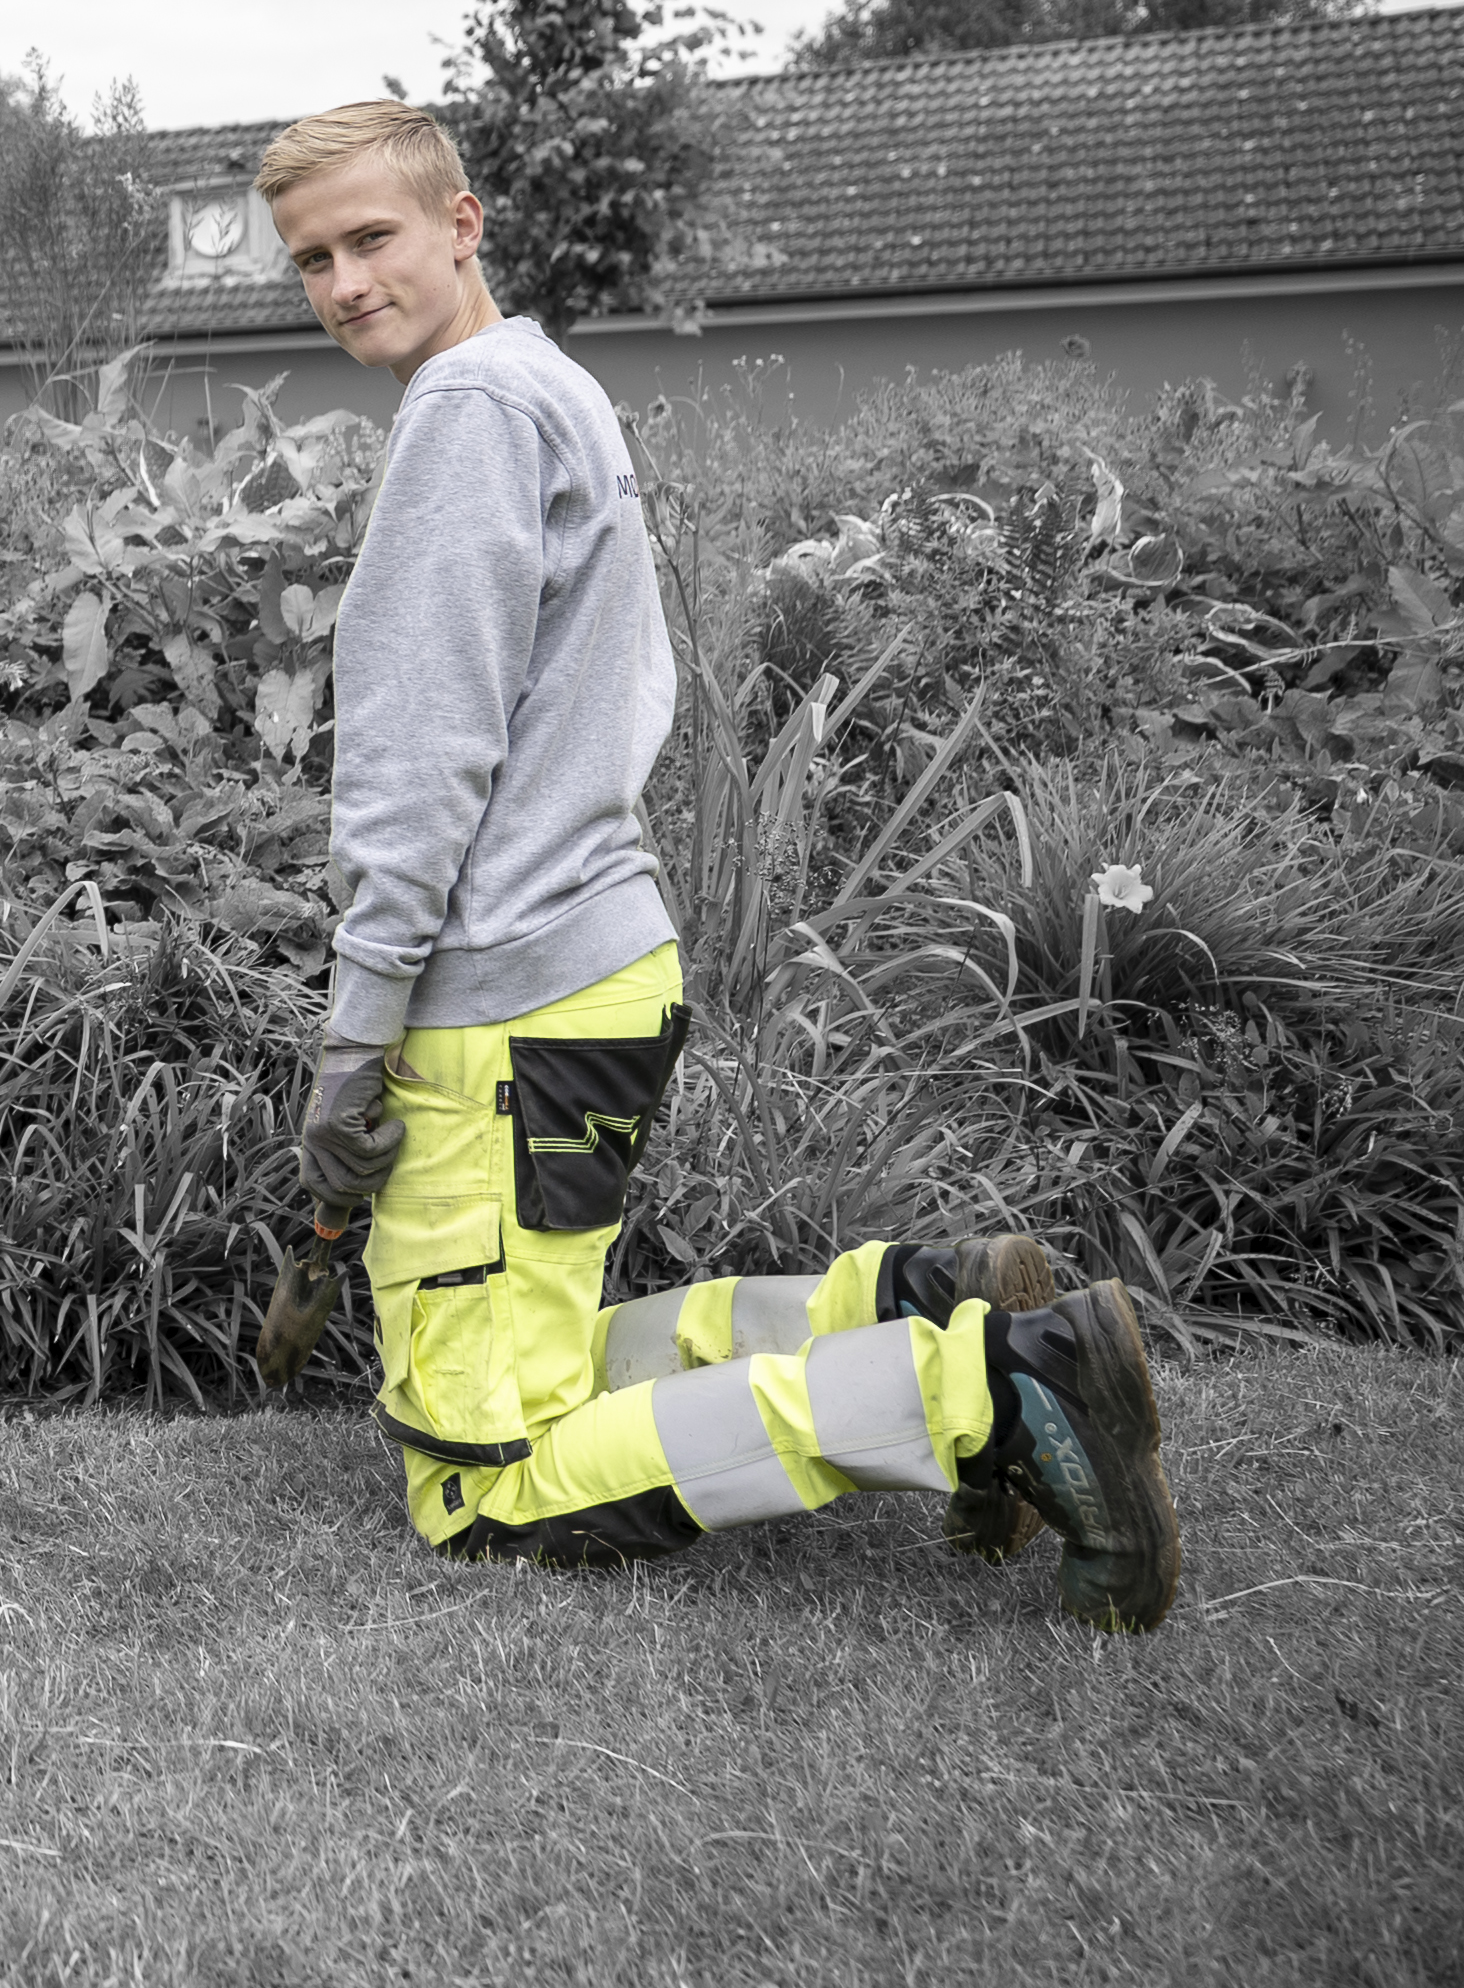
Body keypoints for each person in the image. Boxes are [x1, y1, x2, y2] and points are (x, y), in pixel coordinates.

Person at [265, 97, 1178, 1632]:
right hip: (592, 966)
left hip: (503, 991)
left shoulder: (468, 413)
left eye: (374, 238)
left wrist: (356, 1043)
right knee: (537, 1348)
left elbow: (424, 770)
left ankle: (992, 1384)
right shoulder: (546, 385)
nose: (347, 282)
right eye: (312, 260)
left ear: (463, 222)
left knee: (487, 1478)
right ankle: (916, 1302)